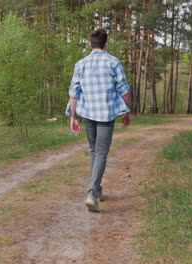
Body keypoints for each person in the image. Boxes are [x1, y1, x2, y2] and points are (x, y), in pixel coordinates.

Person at [66, 29, 132, 212]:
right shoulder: (113, 62)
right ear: (106, 44)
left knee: (95, 151)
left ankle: (98, 190)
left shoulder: (81, 64)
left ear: (90, 43)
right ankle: (93, 193)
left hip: (88, 113)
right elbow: (124, 90)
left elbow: (74, 93)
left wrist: (73, 117)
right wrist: (128, 112)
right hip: (106, 114)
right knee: (101, 152)